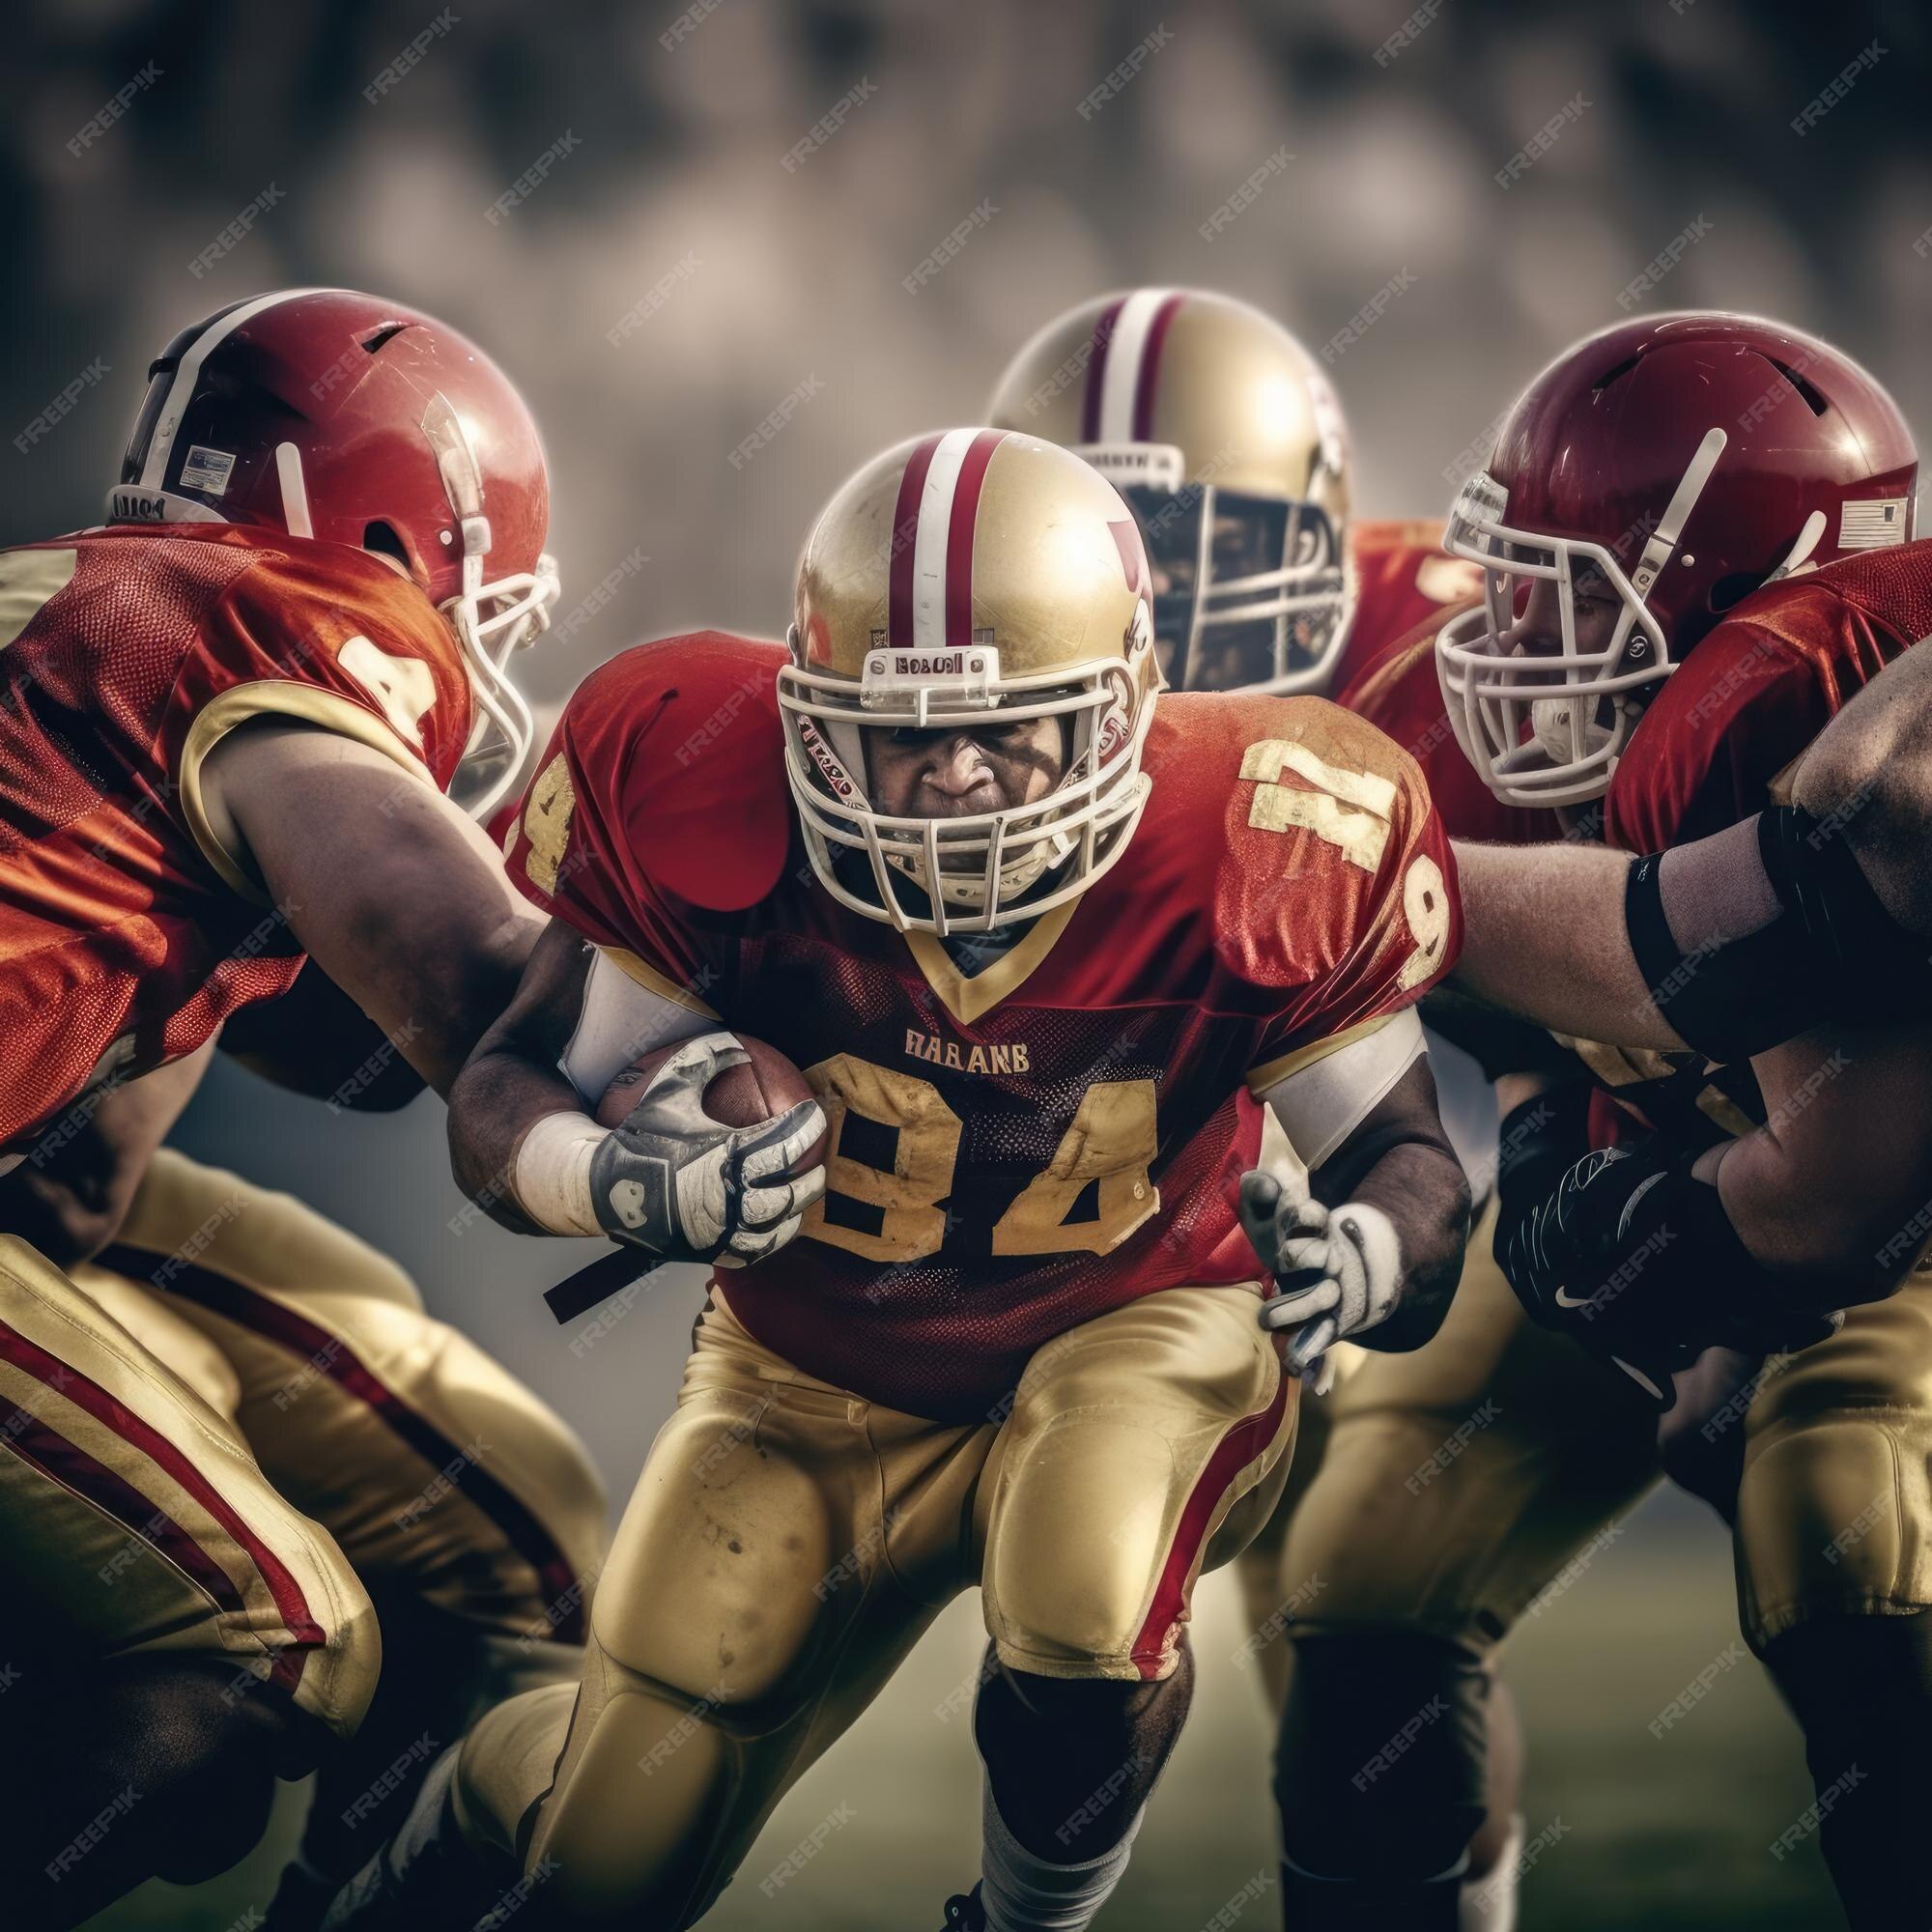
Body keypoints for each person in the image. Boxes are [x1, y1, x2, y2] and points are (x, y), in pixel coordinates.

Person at [329, 425, 1470, 1932]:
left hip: (1134, 1317)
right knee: (594, 1876)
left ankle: (1022, 1922)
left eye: (1014, 729)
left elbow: (1411, 1171)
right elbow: (499, 1096)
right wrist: (616, 1182)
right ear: (811, 727)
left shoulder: (1263, 839)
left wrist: (1363, 1264)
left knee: (1085, 1595)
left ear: (1124, 707)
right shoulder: (695, 785)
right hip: (806, 1371)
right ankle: (485, 1792)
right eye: (907, 738)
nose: (958, 779)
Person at [1277, 310, 1932, 1931]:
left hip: (1891, 1236)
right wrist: (1561, 1160)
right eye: (1509, 579)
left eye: (1561, 597)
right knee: (1367, 1567)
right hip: (1691, 1165)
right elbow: (1527, 1026)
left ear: (1740, 608)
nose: (1501, 638)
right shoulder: (1459, 730)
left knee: (1841, 1531)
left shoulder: (1811, 720)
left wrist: (1670, 1258)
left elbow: (1839, 1195)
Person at [0, 288, 609, 1928]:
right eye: (486, 605)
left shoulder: (87, 623)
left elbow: (111, 1151)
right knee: (256, 1642)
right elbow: (483, 994)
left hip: (22, 1180)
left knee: (522, 1546)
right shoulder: (265, 628)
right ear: (404, 553)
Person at [991, 286, 1532, 1926]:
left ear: (1303, 532)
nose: (1140, 579)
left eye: (1184, 532)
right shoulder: (984, 697)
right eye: (1091, 528)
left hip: (1508, 1130)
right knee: (1259, 1600)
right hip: (1215, 1172)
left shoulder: (1460, 656)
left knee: (1356, 1599)